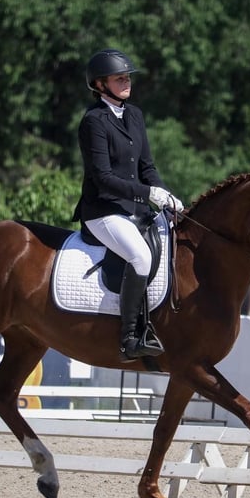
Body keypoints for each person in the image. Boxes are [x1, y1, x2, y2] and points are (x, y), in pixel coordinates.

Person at [73, 49, 184, 361]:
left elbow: (147, 166)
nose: (126, 81)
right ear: (100, 84)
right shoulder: (93, 121)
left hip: (135, 209)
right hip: (104, 210)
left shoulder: (134, 115)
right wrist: (147, 194)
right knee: (139, 257)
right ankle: (130, 338)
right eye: (119, 77)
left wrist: (165, 194)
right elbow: (103, 178)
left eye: (127, 77)